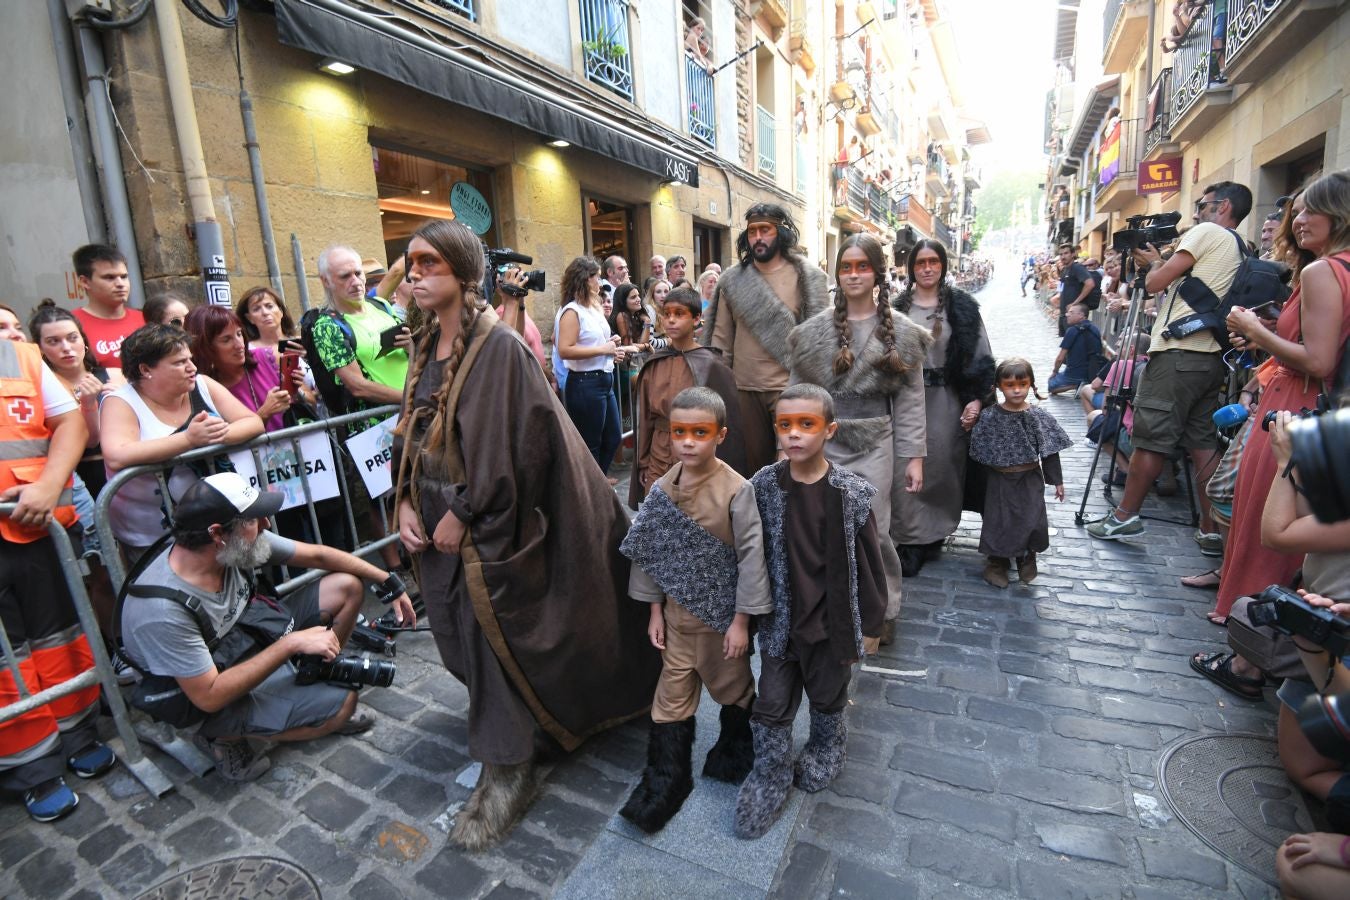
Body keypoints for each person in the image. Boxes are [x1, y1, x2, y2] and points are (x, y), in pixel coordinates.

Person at [393, 220, 659, 850]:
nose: (414, 275)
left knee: (492, 635)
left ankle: (508, 765)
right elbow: (412, 428)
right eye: (411, 263)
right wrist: (405, 500)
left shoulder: (500, 350)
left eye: (429, 264)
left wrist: (466, 511)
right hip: (435, 512)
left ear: (464, 274)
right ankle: (514, 723)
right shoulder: (425, 342)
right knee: (456, 630)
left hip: (490, 519)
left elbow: (517, 446)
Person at [117, 472, 414, 781]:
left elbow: (318, 555)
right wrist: (291, 644)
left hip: (244, 638)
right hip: (204, 690)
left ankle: (313, 670)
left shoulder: (229, 543)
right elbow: (208, 695)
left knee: (347, 587)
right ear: (217, 533)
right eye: (253, 520)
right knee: (342, 707)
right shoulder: (164, 611)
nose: (266, 525)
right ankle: (221, 736)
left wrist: (387, 580)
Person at [735, 384, 886, 839]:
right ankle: (770, 773)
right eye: (785, 425)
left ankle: (826, 750)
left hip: (828, 624)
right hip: (780, 623)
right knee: (771, 703)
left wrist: (871, 623)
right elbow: (744, 550)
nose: (795, 434)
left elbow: (870, 563)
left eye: (807, 424)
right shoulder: (763, 486)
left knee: (827, 696)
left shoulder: (851, 494)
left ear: (829, 430)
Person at [617, 387, 771, 833]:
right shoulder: (662, 488)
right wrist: (654, 612)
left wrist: (741, 622)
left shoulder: (737, 490)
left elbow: (751, 560)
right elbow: (651, 553)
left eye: (699, 433)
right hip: (676, 625)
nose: (687, 442)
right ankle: (666, 779)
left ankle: (735, 752)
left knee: (734, 691)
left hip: (720, 626)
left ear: (719, 435)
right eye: (678, 432)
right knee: (669, 703)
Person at [1209, 172, 1350, 623]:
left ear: (1340, 215)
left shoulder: (1323, 270)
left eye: (1311, 210)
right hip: (1322, 409)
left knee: (1266, 521)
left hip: (1297, 402)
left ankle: (1249, 635)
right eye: (1298, 211)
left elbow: (1318, 360)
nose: (1298, 219)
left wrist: (1255, 330)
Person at [1088, 181, 1254, 551]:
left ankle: (1125, 516)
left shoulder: (1207, 232)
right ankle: (1212, 529)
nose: (1197, 212)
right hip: (1210, 357)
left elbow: (1155, 282)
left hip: (1179, 354)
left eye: (1203, 205)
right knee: (1203, 444)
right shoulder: (1241, 246)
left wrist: (1153, 263)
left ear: (1224, 206)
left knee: (1151, 437)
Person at [788, 233, 929, 641]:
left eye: (862, 267)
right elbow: (796, 392)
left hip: (876, 440)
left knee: (875, 528)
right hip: (823, 442)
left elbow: (911, 399)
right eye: (846, 267)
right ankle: (829, 606)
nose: (853, 275)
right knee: (822, 526)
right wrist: (788, 442)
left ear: (877, 273)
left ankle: (883, 609)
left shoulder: (902, 333)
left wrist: (914, 457)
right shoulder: (814, 332)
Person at [0, 335, 110, 823]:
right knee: (5, 664)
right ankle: (31, 768)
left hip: (35, 527)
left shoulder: (18, 356)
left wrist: (48, 485)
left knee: (59, 640)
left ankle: (77, 733)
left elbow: (68, 422)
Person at [100, 324, 264, 559]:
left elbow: (253, 422)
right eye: (179, 362)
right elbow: (117, 455)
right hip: (151, 534)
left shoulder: (202, 384)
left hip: (214, 520)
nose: (192, 367)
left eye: (190, 359)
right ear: (145, 369)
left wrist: (215, 434)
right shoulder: (121, 401)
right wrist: (189, 439)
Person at [891, 239, 994, 576]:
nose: (927, 268)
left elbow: (980, 354)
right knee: (905, 465)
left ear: (942, 265)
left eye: (933, 261)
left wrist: (977, 397)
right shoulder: (896, 309)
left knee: (941, 466)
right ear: (912, 268)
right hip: (905, 398)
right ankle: (910, 539)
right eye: (920, 262)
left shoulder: (962, 308)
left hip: (946, 399)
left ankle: (932, 533)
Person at [704, 204, 829, 473]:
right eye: (752, 231)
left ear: (780, 232)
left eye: (765, 230)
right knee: (752, 470)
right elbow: (720, 344)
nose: (758, 237)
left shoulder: (807, 278)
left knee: (795, 469)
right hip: (744, 391)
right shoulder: (732, 280)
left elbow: (819, 343)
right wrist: (720, 394)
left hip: (792, 389)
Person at [629, 287, 745, 508]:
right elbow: (645, 419)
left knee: (695, 514)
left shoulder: (712, 365)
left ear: (696, 318)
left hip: (697, 455)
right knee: (658, 514)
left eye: (679, 314)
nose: (671, 320)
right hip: (659, 455)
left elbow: (726, 423)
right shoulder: (655, 364)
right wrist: (643, 462)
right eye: (667, 314)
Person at [969, 359, 1071, 588]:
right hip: (998, 479)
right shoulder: (989, 417)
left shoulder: (1039, 417)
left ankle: (1027, 556)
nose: (1017, 390)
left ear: (1031, 385)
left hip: (1029, 478)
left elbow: (1050, 450)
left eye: (1022, 384)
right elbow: (979, 450)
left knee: (1030, 518)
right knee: (999, 520)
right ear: (998, 386)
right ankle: (997, 562)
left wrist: (1057, 481)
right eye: (1010, 385)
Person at [557, 256, 636, 478]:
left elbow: (596, 344)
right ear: (585, 278)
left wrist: (613, 346)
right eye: (597, 277)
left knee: (612, 437)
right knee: (591, 444)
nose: (600, 282)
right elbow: (565, 349)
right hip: (585, 383)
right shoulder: (571, 311)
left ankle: (596, 484)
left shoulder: (592, 308)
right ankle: (592, 489)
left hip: (603, 380)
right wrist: (604, 349)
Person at [185, 305, 296, 434]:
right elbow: (222, 439)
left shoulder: (269, 357)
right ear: (205, 347)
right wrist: (265, 413)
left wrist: (296, 391)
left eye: (239, 334)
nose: (239, 345)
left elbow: (310, 401)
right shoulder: (200, 388)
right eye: (226, 339)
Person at [71, 244, 145, 370]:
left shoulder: (145, 318)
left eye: (124, 277)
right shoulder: (70, 325)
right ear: (85, 282)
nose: (120, 284)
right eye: (109, 277)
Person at [1048, 303, 1104, 394]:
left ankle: (1077, 385)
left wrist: (1055, 372)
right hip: (1092, 372)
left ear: (1081, 315)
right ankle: (1084, 382)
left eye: (1071, 312)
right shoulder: (1095, 329)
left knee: (1051, 384)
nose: (1067, 314)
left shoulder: (1072, 330)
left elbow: (1060, 358)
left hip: (1074, 374)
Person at [236, 286, 299, 361]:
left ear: (281, 311)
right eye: (256, 309)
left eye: (269, 306)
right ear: (249, 318)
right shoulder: (247, 353)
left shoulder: (301, 344)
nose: (265, 312)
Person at [1054, 243, 1098, 336]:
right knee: (1068, 341)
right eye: (1061, 254)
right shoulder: (1064, 270)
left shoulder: (1077, 268)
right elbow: (1061, 289)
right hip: (1065, 314)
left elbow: (1090, 284)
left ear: (1073, 254)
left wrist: (1075, 303)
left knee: (1076, 341)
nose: (1063, 256)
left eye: (1066, 253)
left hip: (1076, 315)